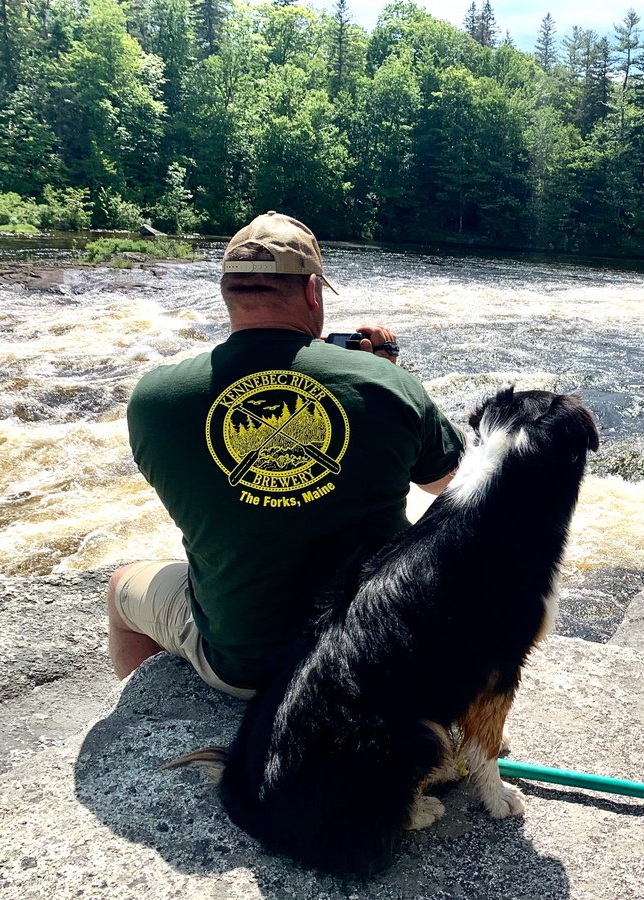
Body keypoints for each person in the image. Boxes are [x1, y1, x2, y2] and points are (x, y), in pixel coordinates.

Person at [107, 211, 466, 699]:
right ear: (313, 291)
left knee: (122, 586)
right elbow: (454, 488)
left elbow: (241, 509)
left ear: (227, 291)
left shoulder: (154, 399)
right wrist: (384, 374)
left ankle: (148, 720)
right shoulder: (387, 383)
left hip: (247, 669)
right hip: (379, 657)